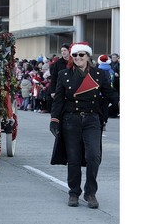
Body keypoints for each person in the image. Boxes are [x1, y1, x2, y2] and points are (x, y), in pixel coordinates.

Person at [49, 42, 119, 209]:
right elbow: (58, 99)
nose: (78, 58)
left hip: (92, 119)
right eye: (75, 55)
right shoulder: (64, 74)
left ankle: (90, 192)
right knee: (73, 159)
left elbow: (110, 94)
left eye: (81, 55)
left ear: (88, 56)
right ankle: (74, 192)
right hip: (70, 120)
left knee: (93, 156)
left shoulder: (99, 74)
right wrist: (54, 119)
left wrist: (114, 105)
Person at [96, 54, 115, 131]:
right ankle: (104, 122)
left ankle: (99, 122)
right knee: (105, 108)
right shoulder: (111, 71)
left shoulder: (97, 71)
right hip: (108, 91)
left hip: (99, 93)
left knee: (98, 108)